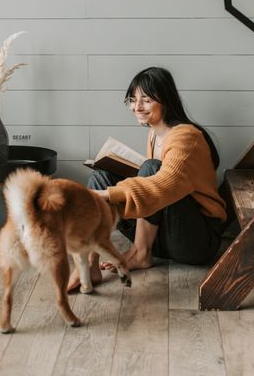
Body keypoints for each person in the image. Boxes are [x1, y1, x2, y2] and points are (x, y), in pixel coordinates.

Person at [68, 67, 227, 291]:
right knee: (100, 177)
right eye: (133, 100)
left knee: (150, 169)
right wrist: (105, 187)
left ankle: (140, 254)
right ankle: (90, 265)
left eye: (146, 100)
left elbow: (163, 185)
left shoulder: (186, 136)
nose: (137, 107)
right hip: (163, 236)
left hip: (195, 242)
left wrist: (106, 194)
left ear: (165, 99)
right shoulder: (154, 133)